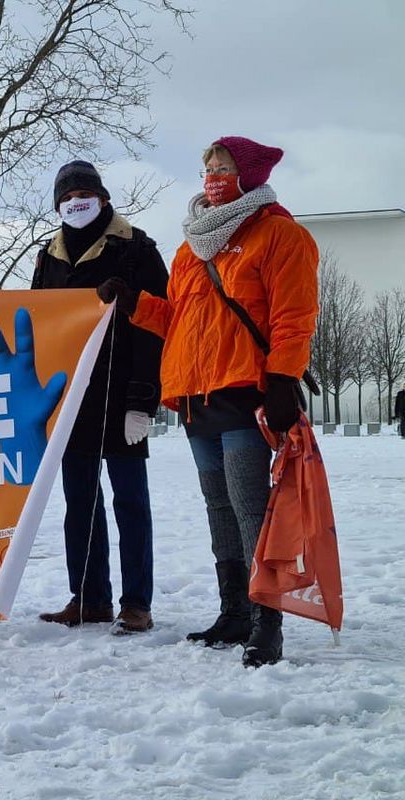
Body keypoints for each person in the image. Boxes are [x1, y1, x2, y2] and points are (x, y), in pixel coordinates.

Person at [99, 136, 319, 667]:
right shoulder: (191, 247)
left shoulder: (279, 234)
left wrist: (284, 379)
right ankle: (234, 612)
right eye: (208, 170)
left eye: (223, 168)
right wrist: (134, 305)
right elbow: (178, 319)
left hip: (245, 390)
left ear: (248, 173)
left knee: (249, 508)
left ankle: (267, 622)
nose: (213, 179)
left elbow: (294, 317)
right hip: (196, 394)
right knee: (218, 505)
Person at [31, 161, 169, 634]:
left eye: (85, 193)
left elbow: (159, 327)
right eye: (67, 197)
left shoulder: (138, 248)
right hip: (72, 400)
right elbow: (39, 324)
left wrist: (144, 399)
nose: (76, 202)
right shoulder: (46, 256)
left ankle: (136, 603)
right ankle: (89, 597)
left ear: (104, 198)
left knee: (130, 501)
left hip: (123, 392)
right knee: (80, 502)